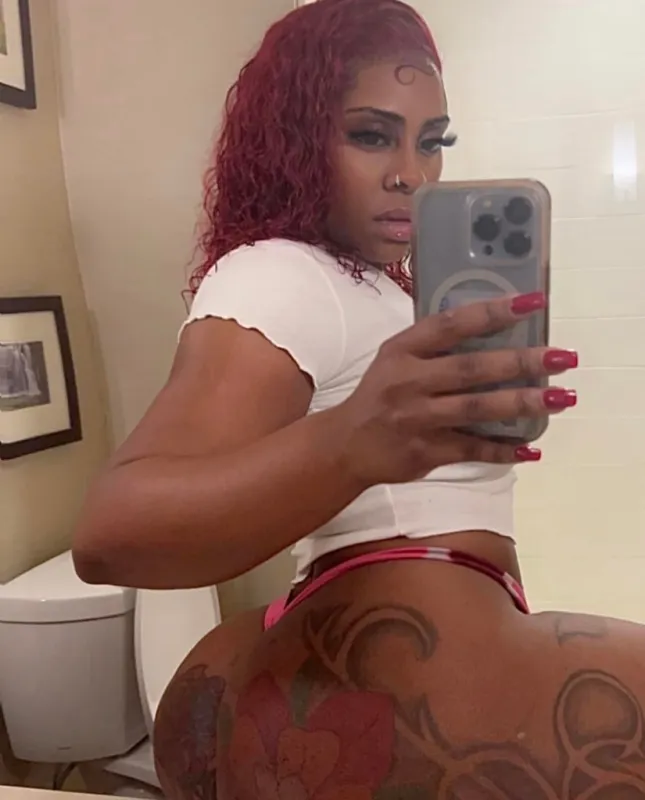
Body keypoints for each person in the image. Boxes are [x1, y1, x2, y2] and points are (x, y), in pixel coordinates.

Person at [72, 0, 645, 798]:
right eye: (372, 136)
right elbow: (112, 535)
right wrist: (352, 440)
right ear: (295, 139)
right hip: (412, 689)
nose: (410, 174)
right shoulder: (282, 272)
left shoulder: (373, 289)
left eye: (431, 141)